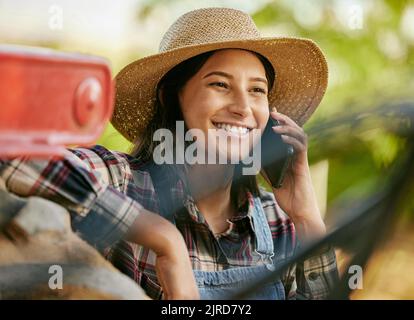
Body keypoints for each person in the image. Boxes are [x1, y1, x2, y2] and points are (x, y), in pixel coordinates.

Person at [0, 7, 338, 299]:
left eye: (257, 90)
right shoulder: (121, 182)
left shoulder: (276, 220)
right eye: (220, 84)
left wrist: (307, 217)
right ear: (170, 96)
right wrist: (161, 237)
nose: (242, 107)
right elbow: (11, 157)